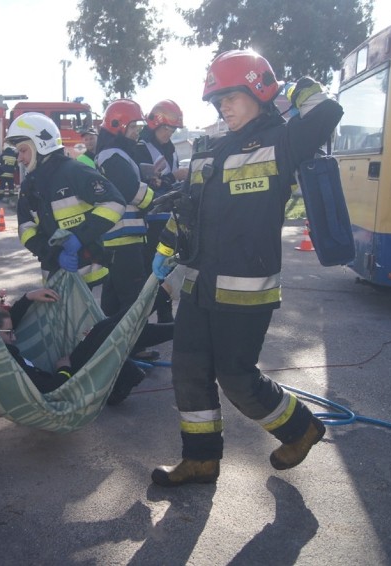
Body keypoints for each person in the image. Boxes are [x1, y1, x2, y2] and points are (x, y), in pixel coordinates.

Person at [150, 50, 344, 486]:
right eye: (218, 101)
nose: (224, 108)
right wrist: (165, 248)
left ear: (258, 89)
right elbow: (187, 210)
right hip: (199, 282)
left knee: (237, 377)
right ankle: (200, 460)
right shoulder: (211, 148)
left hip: (246, 288)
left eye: (231, 97)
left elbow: (327, 110)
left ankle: (301, 428)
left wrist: (291, 87)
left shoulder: (282, 142)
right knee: (189, 371)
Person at [0, 288, 174, 404]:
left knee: (104, 328)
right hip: (63, 387)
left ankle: (161, 295)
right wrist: (64, 369)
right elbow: (48, 389)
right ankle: (168, 308)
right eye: (9, 333)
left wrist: (29, 297)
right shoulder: (6, 361)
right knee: (111, 333)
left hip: (62, 376)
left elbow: (9, 323)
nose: (14, 337)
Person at [9, 112, 126, 289]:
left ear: (41, 145)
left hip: (88, 274)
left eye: (23, 150)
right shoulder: (28, 187)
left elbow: (114, 203)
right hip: (54, 278)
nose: (19, 158)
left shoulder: (75, 172)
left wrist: (79, 237)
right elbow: (26, 230)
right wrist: (54, 255)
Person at [96, 99, 158, 360]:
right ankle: (133, 348)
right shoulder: (113, 156)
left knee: (113, 298)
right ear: (118, 125)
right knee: (133, 297)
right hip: (123, 239)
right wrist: (157, 197)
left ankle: (111, 343)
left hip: (118, 239)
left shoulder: (113, 154)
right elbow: (131, 191)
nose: (137, 132)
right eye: (133, 127)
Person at [133, 99, 190, 323]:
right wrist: (173, 177)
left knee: (167, 269)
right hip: (149, 218)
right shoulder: (140, 148)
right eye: (167, 128)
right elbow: (147, 181)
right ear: (154, 124)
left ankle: (165, 317)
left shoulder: (170, 149)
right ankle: (143, 319)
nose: (169, 133)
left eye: (173, 129)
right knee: (150, 271)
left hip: (169, 217)